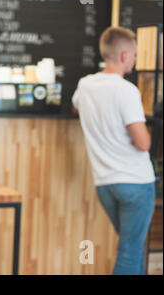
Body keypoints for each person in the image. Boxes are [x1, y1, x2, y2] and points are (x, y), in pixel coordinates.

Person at [72, 26, 156, 275]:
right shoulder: (126, 91)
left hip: (105, 185)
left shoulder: (85, 85)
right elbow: (143, 143)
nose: (135, 60)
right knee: (130, 255)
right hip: (136, 184)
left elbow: (77, 107)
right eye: (134, 55)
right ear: (123, 56)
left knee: (133, 248)